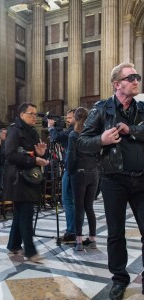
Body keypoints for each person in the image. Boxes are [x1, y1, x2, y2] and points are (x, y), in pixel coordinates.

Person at [78, 62, 144, 300]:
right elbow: (82, 142)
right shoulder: (102, 109)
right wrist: (102, 140)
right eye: (131, 77)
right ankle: (119, 279)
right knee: (116, 233)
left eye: (137, 76)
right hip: (113, 180)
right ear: (117, 84)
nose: (137, 80)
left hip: (142, 180)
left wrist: (132, 130)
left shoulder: (142, 108)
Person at [5, 102, 49, 262]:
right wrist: (34, 160)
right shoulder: (14, 130)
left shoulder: (33, 132)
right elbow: (10, 155)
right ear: (22, 114)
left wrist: (41, 154)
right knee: (26, 214)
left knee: (20, 213)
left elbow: (33, 154)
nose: (34, 117)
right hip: (18, 179)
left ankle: (14, 245)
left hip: (29, 178)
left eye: (35, 114)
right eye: (31, 113)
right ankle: (30, 251)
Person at [66, 107, 99, 251]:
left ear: (76, 118)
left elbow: (71, 156)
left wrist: (69, 170)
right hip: (94, 173)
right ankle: (92, 239)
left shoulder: (74, 134)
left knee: (79, 207)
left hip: (79, 173)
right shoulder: (93, 134)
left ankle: (78, 241)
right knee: (89, 207)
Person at [48, 108, 76, 243]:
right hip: (77, 169)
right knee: (73, 201)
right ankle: (76, 231)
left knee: (67, 200)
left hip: (70, 169)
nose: (68, 120)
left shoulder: (73, 131)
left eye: (70, 118)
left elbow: (58, 137)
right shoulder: (80, 130)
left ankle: (71, 232)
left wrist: (51, 127)